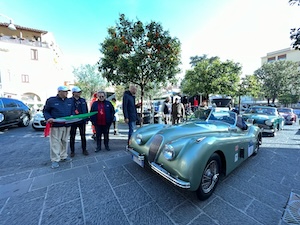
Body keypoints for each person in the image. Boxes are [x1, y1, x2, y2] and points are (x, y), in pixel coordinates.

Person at [43, 86, 74, 169]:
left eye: (67, 91)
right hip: (56, 125)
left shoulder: (69, 101)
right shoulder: (51, 100)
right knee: (55, 143)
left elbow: (72, 110)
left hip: (67, 125)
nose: (67, 93)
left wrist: (73, 115)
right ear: (59, 92)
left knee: (65, 141)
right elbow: (46, 111)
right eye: (65, 91)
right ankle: (55, 159)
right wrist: (48, 118)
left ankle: (63, 156)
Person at [69, 86, 89, 157]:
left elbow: (86, 110)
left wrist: (86, 119)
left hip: (82, 121)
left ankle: (84, 149)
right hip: (73, 121)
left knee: (83, 136)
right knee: (72, 136)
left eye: (80, 92)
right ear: (73, 93)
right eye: (78, 92)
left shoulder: (83, 100)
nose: (79, 93)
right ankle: (72, 151)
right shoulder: (69, 100)